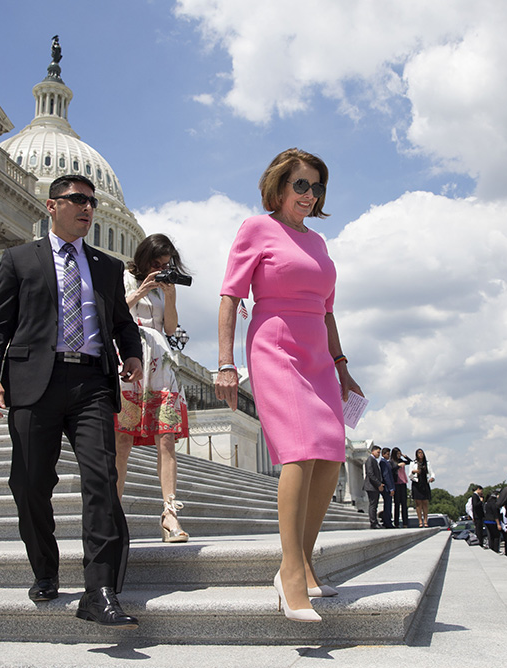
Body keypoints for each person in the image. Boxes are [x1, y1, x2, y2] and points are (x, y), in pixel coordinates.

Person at [0, 174, 143, 628]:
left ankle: (101, 589)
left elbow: (123, 324)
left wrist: (131, 354)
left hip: (91, 381)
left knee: (102, 482)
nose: (88, 208)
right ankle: (45, 569)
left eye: (92, 202)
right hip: (35, 382)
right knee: (29, 483)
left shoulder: (107, 267)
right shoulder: (18, 259)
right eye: (78, 200)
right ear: (52, 206)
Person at [216, 148, 363, 623]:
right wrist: (225, 363)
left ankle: (303, 558)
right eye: (301, 184)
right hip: (275, 345)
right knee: (299, 450)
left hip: (319, 353)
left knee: (330, 454)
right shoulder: (256, 229)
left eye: (317, 187)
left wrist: (341, 364)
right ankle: (290, 572)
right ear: (279, 187)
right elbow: (230, 296)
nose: (310, 194)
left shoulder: (319, 243)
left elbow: (327, 309)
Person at [113, 234, 191, 543]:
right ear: (144, 260)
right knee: (122, 439)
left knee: (167, 438)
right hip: (130, 356)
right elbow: (115, 312)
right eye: (156, 264)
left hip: (160, 360)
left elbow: (170, 328)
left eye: (166, 264)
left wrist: (169, 297)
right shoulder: (124, 277)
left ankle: (170, 513)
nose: (161, 269)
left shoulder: (165, 287)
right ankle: (113, 512)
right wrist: (141, 290)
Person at [408, 449, 435, 528]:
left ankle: (425, 520)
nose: (420, 454)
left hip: (424, 483)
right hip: (416, 483)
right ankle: (420, 521)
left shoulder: (427, 463)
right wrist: (414, 472)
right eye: (419, 453)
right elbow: (410, 474)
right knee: (418, 503)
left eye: (421, 453)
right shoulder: (413, 463)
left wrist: (432, 478)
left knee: (425, 502)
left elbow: (431, 473)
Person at [363, 445, 384, 529]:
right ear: (372, 451)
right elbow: (370, 474)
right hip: (371, 486)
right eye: (378, 452)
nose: (379, 454)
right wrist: (378, 484)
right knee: (373, 505)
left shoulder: (373, 460)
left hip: (373, 486)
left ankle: (375, 522)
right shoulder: (370, 460)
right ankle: (373, 523)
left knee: (374, 505)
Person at [390, 448, 410, 528]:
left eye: (400, 454)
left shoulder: (401, 460)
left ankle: (405, 522)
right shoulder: (392, 461)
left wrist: (405, 456)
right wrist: (398, 466)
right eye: (397, 454)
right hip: (396, 483)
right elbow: (392, 469)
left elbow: (409, 462)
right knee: (397, 504)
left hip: (403, 483)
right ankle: (396, 523)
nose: (399, 455)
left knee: (404, 504)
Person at [378, 446, 395, 528]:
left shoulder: (386, 462)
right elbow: (386, 476)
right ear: (383, 454)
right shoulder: (383, 462)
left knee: (388, 505)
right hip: (387, 487)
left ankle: (388, 521)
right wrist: (391, 488)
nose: (389, 456)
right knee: (387, 505)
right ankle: (387, 522)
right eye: (388, 454)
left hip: (388, 487)